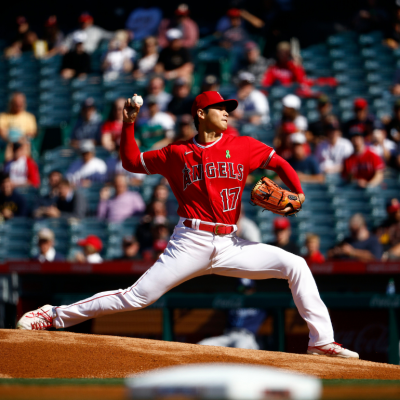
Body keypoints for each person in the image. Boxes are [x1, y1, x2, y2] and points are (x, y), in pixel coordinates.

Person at [17, 91, 358, 359]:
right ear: (200, 113)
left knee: (295, 264)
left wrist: (298, 192)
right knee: (136, 297)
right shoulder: (177, 153)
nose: (227, 112)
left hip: (230, 244)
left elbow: (280, 162)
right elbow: (132, 161)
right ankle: (52, 315)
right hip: (190, 241)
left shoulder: (242, 146)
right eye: (220, 107)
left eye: (229, 108)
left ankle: (322, 341)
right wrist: (129, 124)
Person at [198, 279, 266, 350]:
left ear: (253, 290)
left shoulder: (260, 305)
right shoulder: (231, 303)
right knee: (202, 345)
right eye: (241, 289)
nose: (245, 292)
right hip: (228, 336)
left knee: (240, 349)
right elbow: (214, 300)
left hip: (245, 336)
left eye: (248, 288)